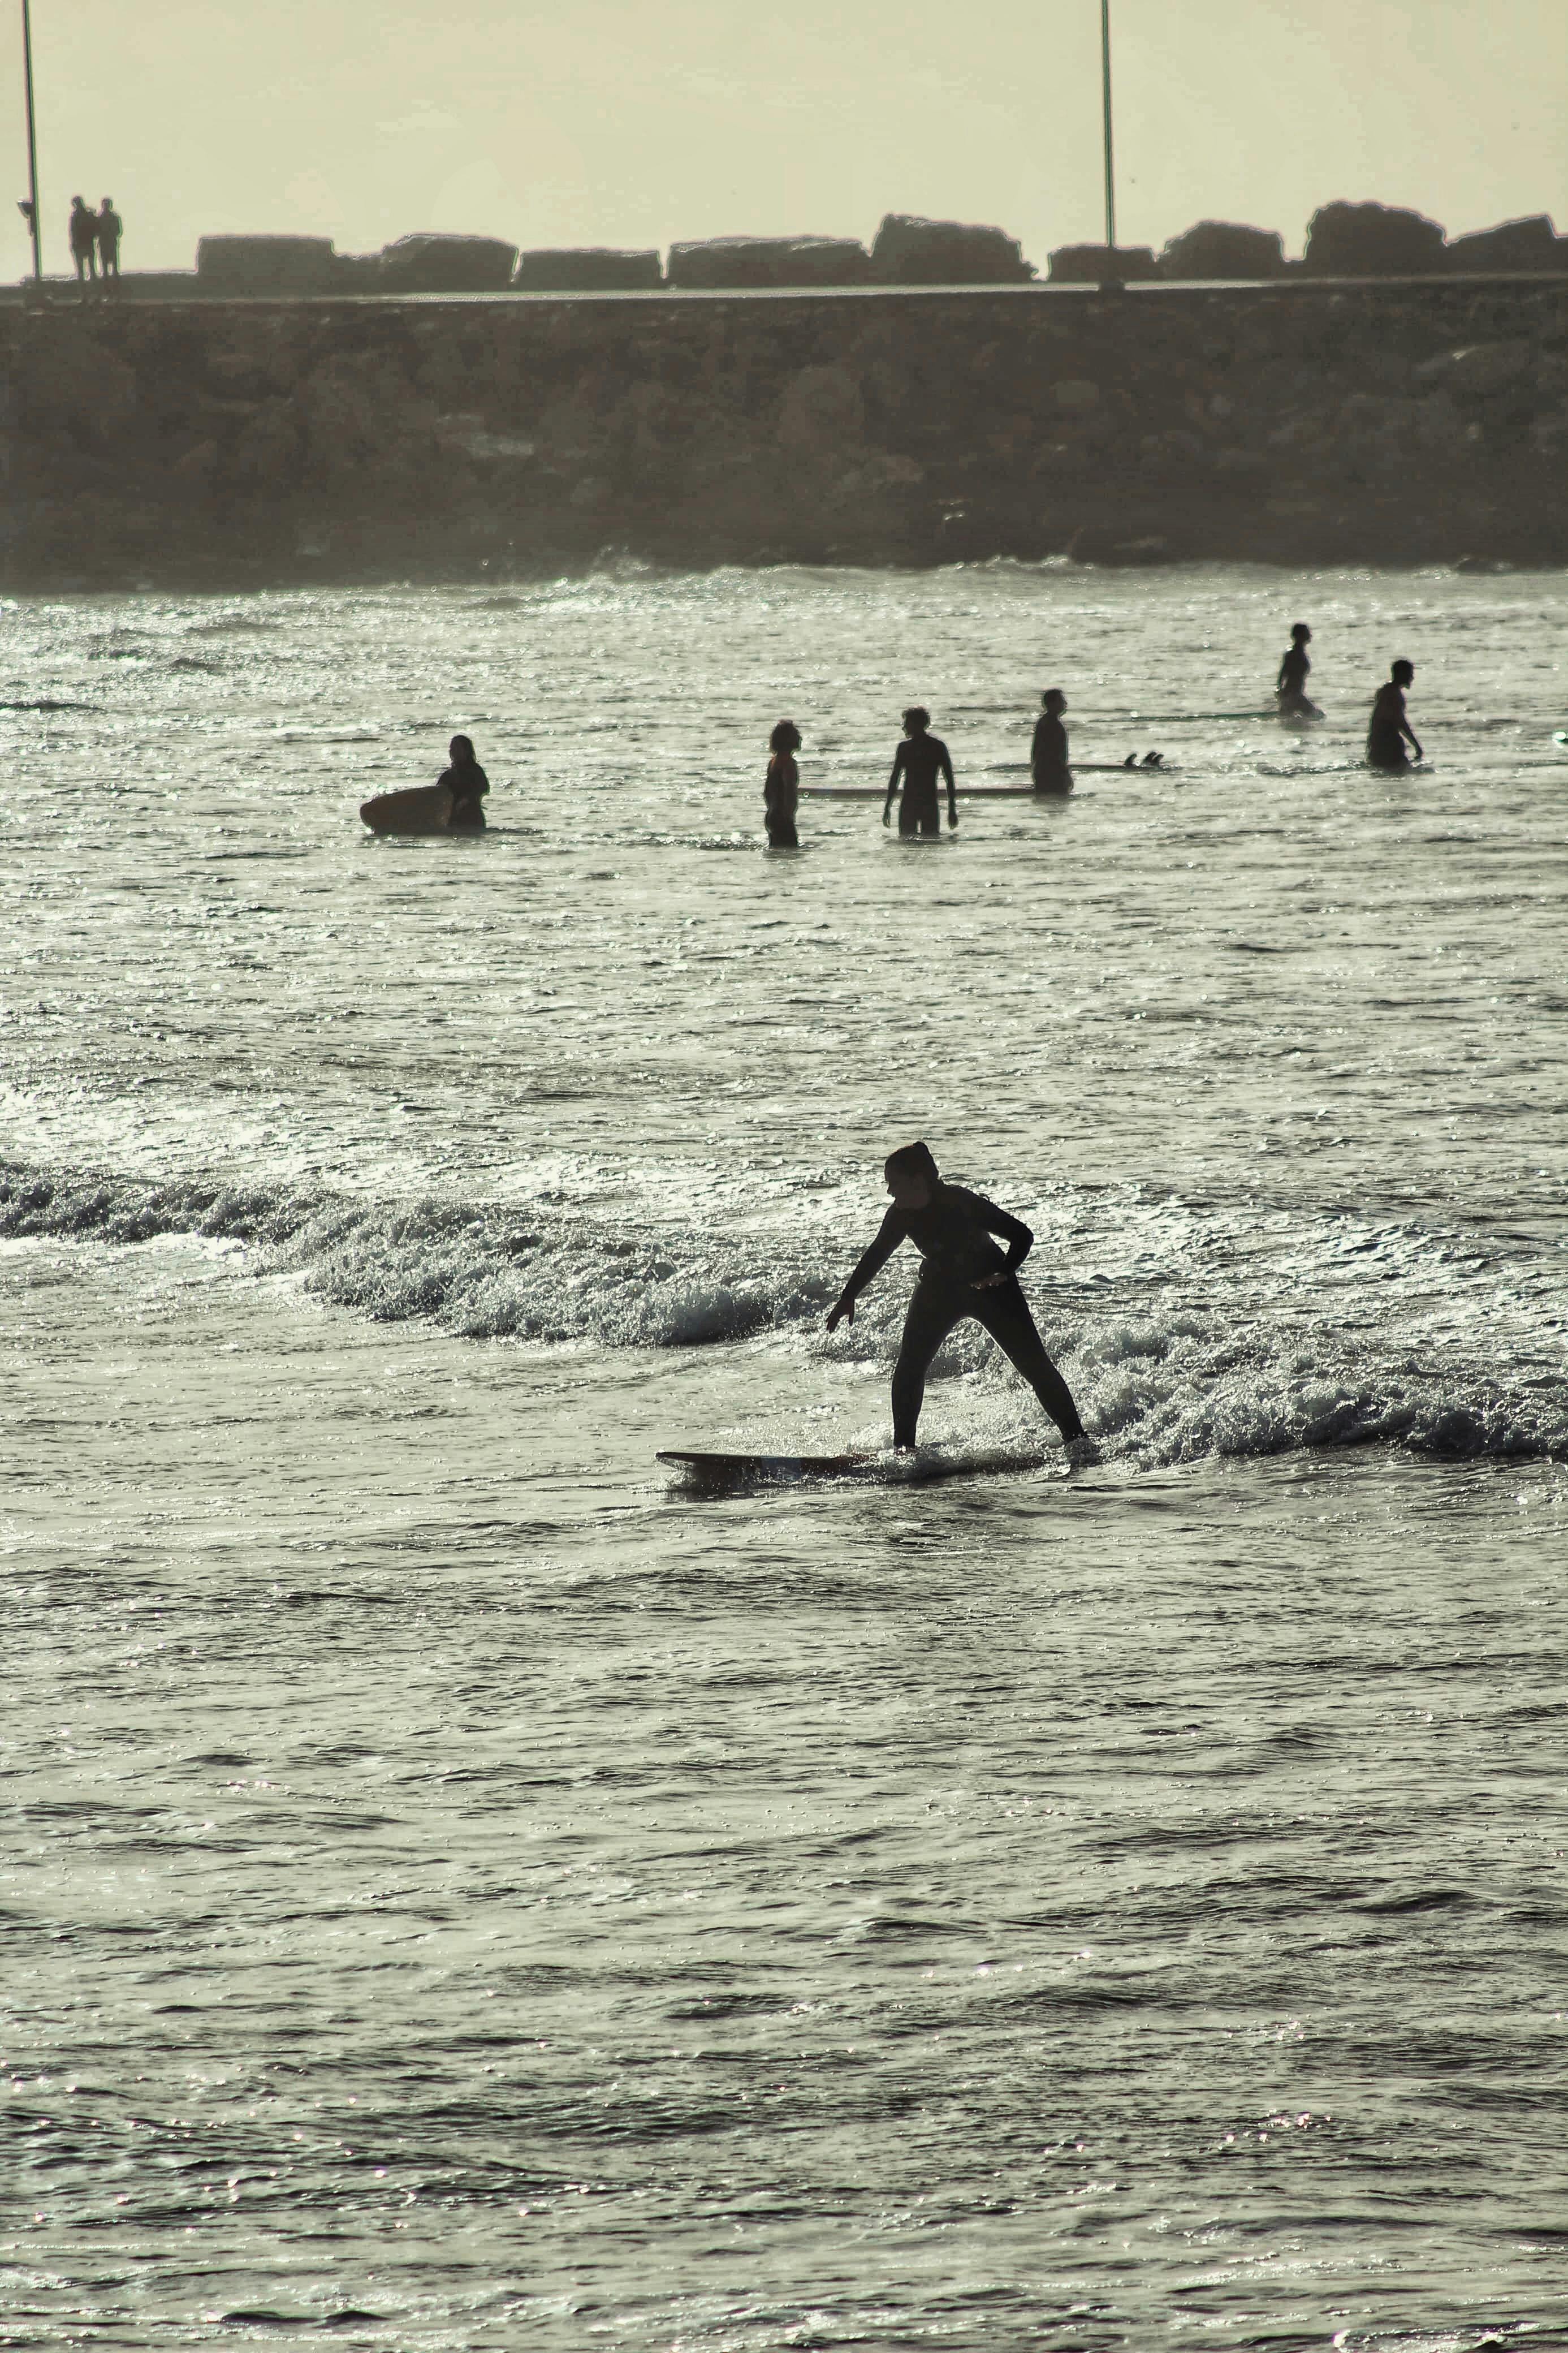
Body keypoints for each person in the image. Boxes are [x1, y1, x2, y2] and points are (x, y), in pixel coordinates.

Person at [826, 1140, 1089, 1458]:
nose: (890, 1193)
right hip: (939, 1290)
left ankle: (1078, 1442)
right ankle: (904, 1452)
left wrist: (1005, 1272)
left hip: (989, 1288)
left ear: (918, 1181)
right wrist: (848, 1297)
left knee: (1034, 1366)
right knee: (910, 1367)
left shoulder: (962, 1202)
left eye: (894, 1184)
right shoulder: (901, 1215)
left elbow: (1021, 1235)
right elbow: (877, 1254)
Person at [884, 706, 957, 837]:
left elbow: (895, 778)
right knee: (930, 842)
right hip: (928, 802)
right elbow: (949, 780)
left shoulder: (905, 748)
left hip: (910, 803)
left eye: (906, 723)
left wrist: (888, 807)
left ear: (915, 724)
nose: (903, 727)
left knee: (907, 843)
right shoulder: (937, 746)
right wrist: (952, 809)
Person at [1366, 660, 1423, 772]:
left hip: (1376, 742)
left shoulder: (1384, 691)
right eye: (1410, 674)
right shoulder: (1394, 695)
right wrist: (1416, 745)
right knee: (1402, 774)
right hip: (1388, 745)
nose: (1412, 678)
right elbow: (1400, 721)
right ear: (1402, 673)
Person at [763, 718, 801, 848]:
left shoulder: (774, 761)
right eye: (796, 735)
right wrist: (789, 815)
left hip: (772, 816)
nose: (800, 738)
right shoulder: (789, 763)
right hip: (783, 817)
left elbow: (767, 792)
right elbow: (789, 789)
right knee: (791, 853)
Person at [439, 734, 489, 828]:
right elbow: (438, 793)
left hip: (472, 818)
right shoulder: (448, 775)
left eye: (457, 748)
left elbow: (484, 788)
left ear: (466, 751)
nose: (453, 751)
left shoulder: (476, 770)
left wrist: (466, 800)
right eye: (451, 748)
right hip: (454, 819)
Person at [1276, 622, 1322, 720]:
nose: (1310, 635)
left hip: (1293, 695)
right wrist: (1279, 688)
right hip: (1294, 696)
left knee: (1287, 720)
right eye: (1307, 632)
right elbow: (1284, 672)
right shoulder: (1293, 654)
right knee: (1318, 717)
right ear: (1300, 636)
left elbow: (1284, 673)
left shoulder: (1299, 653)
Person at [1030, 688, 1072, 792]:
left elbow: (1035, 752)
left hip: (1042, 772)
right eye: (1062, 700)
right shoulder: (1054, 725)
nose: (1065, 703)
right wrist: (1065, 774)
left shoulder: (1043, 722)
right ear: (1052, 704)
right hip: (1053, 775)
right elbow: (1056, 754)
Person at [68, 197, 98, 287]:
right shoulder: (88, 215)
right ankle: (90, 296)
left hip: (83, 245)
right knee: (88, 270)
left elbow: (73, 232)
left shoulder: (78, 216)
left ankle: (88, 296)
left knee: (84, 271)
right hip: (85, 244)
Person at [96, 198, 123, 284]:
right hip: (108, 245)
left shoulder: (100, 218)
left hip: (107, 245)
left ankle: (111, 292)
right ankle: (114, 293)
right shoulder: (113, 217)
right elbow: (119, 232)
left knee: (109, 270)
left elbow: (119, 232)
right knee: (111, 270)